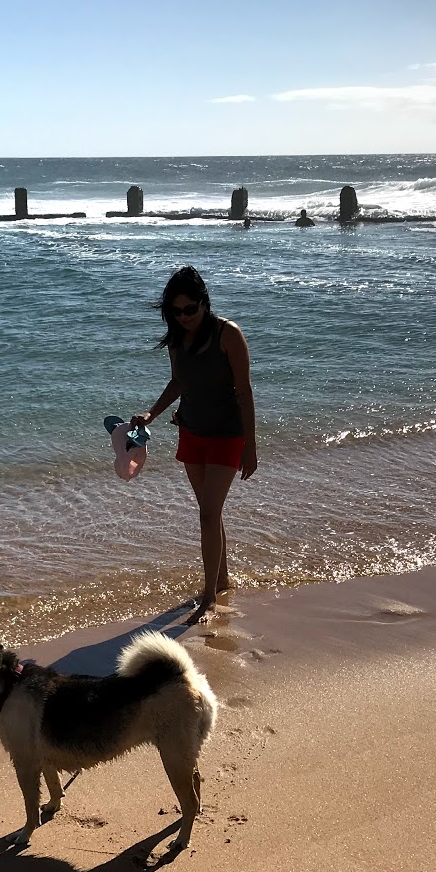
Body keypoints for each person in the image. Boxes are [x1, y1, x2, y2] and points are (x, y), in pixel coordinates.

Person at [130, 265, 257, 623]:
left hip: (227, 435)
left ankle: (209, 598)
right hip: (193, 431)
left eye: (190, 309)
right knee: (208, 510)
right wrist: (152, 414)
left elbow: (245, 391)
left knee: (207, 513)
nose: (184, 317)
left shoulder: (227, 334)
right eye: (176, 311)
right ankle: (222, 579)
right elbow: (178, 383)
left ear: (204, 303)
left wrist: (250, 446)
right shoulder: (176, 339)